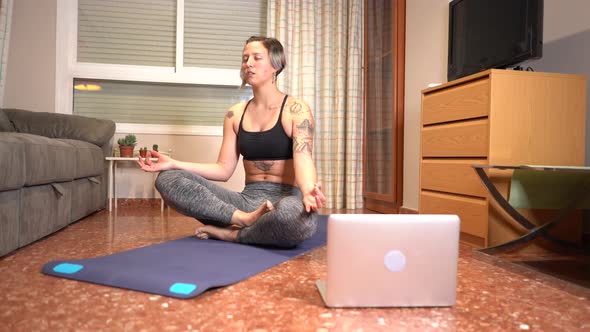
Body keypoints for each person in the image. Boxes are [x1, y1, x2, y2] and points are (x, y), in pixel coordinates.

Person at [138, 36, 326, 248]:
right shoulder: (235, 114)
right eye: (245, 58)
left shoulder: (296, 109)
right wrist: (173, 163)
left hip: (286, 199)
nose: (248, 64)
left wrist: (309, 189)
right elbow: (223, 169)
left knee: (292, 219)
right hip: (246, 203)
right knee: (167, 179)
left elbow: (304, 158)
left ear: (276, 65)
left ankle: (232, 234)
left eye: (257, 57)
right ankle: (240, 221)